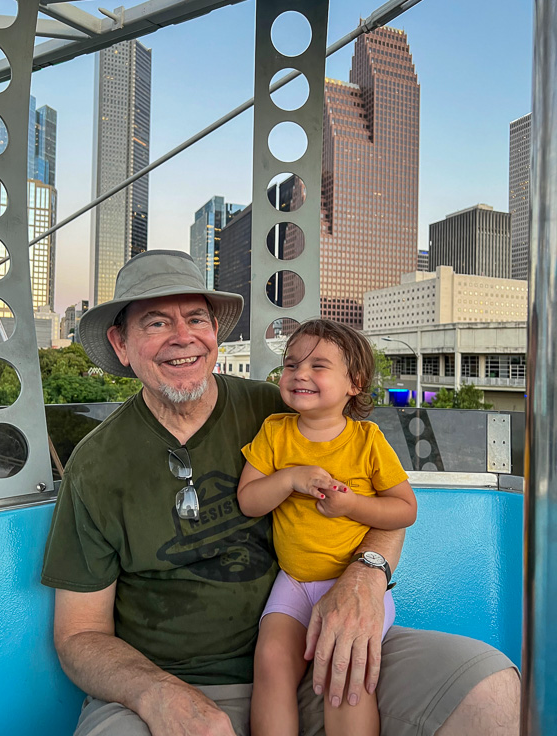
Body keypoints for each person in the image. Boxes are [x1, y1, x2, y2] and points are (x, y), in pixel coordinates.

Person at [41, 250, 520, 736]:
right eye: (157, 322)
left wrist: (365, 578)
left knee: (491, 686)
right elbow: (79, 635)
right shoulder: (96, 465)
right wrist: (156, 694)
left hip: (321, 653)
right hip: (168, 686)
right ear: (121, 345)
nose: (182, 337)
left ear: (214, 333)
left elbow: (384, 511)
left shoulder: (286, 412)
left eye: (196, 318)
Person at [237, 319, 417, 736]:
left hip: (355, 585)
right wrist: (290, 478)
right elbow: (249, 501)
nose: (300, 373)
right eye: (291, 364)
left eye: (318, 366)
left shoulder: (367, 440)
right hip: (294, 581)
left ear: (354, 383)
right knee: (271, 662)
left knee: (348, 677)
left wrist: (353, 505)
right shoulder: (274, 433)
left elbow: (404, 510)